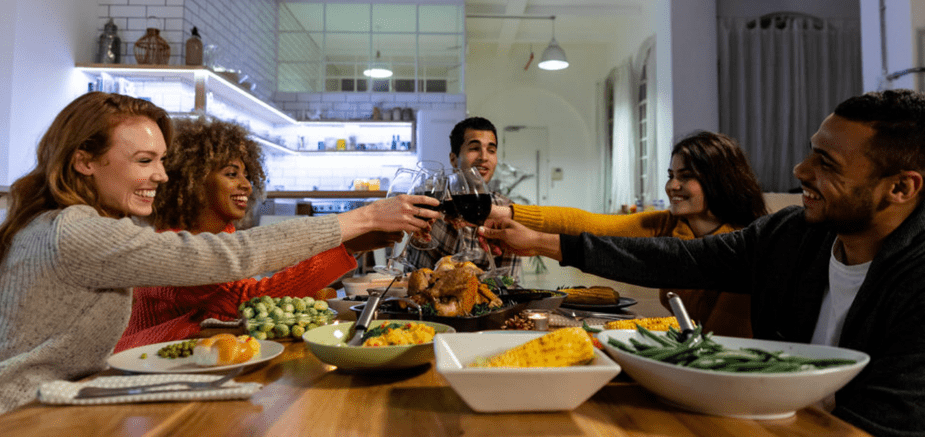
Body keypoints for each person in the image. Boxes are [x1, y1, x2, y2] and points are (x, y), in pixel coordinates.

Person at [480, 89, 925, 437]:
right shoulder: (793, 234)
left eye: (827, 164)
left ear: (901, 188)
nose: (801, 172)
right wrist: (546, 242)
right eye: (812, 153)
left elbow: (883, 427)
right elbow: (683, 259)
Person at [0, 92, 440, 414]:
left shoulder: (66, 225)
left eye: (162, 161)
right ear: (84, 161)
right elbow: (233, 263)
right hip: (27, 413)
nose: (161, 175)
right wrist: (359, 221)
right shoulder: (74, 231)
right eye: (144, 161)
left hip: (67, 401)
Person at [115, 118, 377, 351]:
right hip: (146, 365)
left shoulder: (217, 235)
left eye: (247, 174)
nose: (246, 185)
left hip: (192, 358)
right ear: (191, 179)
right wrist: (346, 248)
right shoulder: (176, 246)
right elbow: (244, 301)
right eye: (231, 174)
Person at [486, 131, 767, 337]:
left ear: (720, 180)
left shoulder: (744, 248)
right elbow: (591, 224)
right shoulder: (668, 224)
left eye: (686, 176)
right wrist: (508, 213)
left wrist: (537, 242)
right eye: (671, 175)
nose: (672, 186)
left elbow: (723, 343)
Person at [405, 116, 521, 276]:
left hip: (486, 298)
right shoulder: (431, 197)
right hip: (425, 296)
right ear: (453, 159)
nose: (484, 157)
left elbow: (509, 281)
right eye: (474, 148)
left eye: (491, 150)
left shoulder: (505, 208)